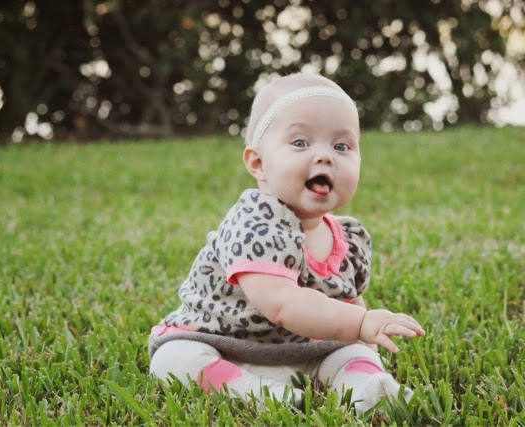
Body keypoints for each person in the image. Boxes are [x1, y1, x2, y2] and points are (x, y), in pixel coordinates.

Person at [148, 73, 425, 414]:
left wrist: (364, 340)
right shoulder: (252, 222)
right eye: (300, 143)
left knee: (353, 352)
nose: (326, 157)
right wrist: (360, 324)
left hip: (308, 352)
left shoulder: (348, 237)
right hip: (225, 346)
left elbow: (349, 301)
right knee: (173, 360)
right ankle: (259, 393)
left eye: (342, 146)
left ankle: (369, 390)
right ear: (258, 163)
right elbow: (282, 304)